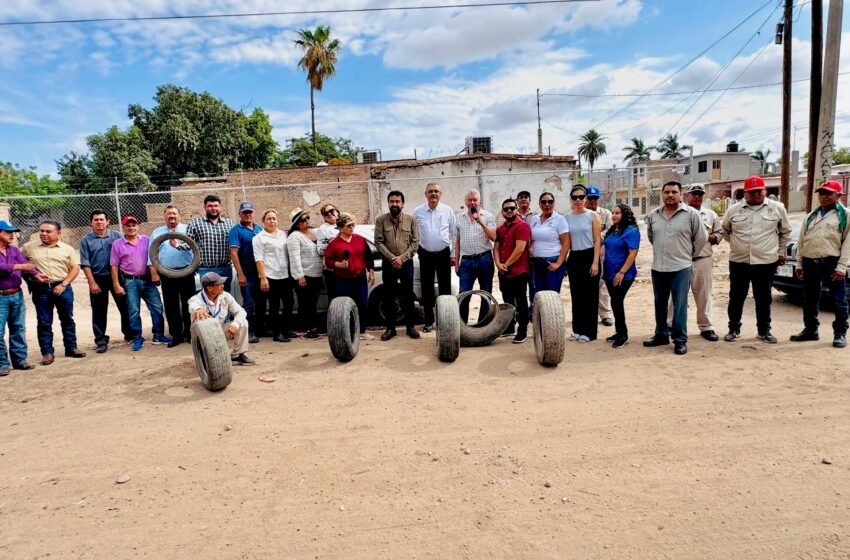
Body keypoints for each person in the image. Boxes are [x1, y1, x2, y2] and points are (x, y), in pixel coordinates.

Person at [721, 175, 791, 343]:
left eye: (759, 191)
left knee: (764, 298)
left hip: (765, 261)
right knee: (736, 296)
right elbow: (725, 230)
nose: (756, 195)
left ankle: (764, 331)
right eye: (751, 192)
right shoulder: (734, 210)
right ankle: (733, 329)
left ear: (765, 191)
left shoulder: (777, 208)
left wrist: (780, 252)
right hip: (739, 261)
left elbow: (785, 232)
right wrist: (738, 244)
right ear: (745, 193)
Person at [643, 181, 707, 355]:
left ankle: (680, 340)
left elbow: (701, 238)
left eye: (674, 192)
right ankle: (661, 335)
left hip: (681, 267)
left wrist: (688, 255)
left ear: (680, 194)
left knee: (679, 305)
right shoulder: (654, 215)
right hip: (658, 268)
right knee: (660, 303)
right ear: (662, 194)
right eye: (666, 192)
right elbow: (651, 237)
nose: (670, 195)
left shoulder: (691, 214)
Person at [789, 180, 850, 348]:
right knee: (809, 299)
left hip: (831, 262)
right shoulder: (811, 216)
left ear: (838, 195)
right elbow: (802, 241)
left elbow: (848, 244)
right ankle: (810, 330)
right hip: (810, 262)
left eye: (829, 193)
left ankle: (840, 333)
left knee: (839, 299)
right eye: (821, 193)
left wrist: (842, 267)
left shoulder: (845, 215)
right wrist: (800, 264)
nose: (824, 197)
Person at [22, 220, 86, 365]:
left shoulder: (67, 249)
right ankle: (47, 353)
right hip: (41, 289)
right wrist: (31, 280)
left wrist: (64, 284)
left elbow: (75, 268)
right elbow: (22, 265)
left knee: (67, 319)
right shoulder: (28, 248)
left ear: (58, 233)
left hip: (63, 287)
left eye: (48, 231)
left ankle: (71, 348)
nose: (44, 234)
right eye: (42, 231)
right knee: (44, 322)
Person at [667, 184, 724, 342]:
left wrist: (708, 237)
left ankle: (706, 326)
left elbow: (720, 233)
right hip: (680, 259)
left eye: (700, 194)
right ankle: (671, 324)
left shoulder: (710, 215)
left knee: (703, 294)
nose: (697, 197)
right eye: (693, 194)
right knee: (676, 294)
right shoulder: (677, 213)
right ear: (686, 196)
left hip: (702, 259)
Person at [110, 216, 170, 352]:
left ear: (138, 226)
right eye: (128, 225)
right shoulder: (117, 244)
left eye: (134, 225)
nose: (131, 228)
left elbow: (154, 257)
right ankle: (137, 339)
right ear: (124, 227)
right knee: (133, 311)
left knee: (157, 308)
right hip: (130, 281)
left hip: (148, 280)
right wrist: (116, 285)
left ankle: (158, 335)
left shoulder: (147, 240)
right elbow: (114, 266)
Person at [79, 209, 132, 353]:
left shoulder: (117, 236)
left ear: (108, 221)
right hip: (98, 278)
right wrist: (92, 283)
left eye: (102, 219)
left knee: (125, 306)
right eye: (96, 220)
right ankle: (101, 340)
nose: (99, 222)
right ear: (91, 222)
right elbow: (85, 263)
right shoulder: (86, 240)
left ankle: (129, 334)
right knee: (99, 311)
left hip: (117, 277)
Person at [0, 220, 47, 375]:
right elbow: (15, 266)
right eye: (7, 232)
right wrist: (17, 267)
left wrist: (37, 274)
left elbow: (25, 264)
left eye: (12, 232)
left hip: (16, 294)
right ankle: (2, 364)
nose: (12, 235)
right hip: (1, 296)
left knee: (18, 328)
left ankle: (20, 360)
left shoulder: (14, 251)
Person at [374, 190, 421, 341]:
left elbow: (415, 242)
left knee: (408, 295)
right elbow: (378, 242)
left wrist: (402, 258)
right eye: (392, 201)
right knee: (389, 296)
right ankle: (390, 329)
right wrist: (393, 258)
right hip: (389, 264)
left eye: (397, 201)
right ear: (388, 203)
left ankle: (410, 327)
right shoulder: (381, 220)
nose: (394, 204)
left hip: (406, 264)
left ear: (403, 204)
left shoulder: (411, 220)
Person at [412, 183, 456, 332]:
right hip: (425, 254)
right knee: (427, 289)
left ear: (440, 194)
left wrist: (452, 254)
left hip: (444, 254)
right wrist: (417, 249)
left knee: (445, 289)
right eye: (430, 191)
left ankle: (445, 322)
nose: (433, 194)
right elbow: (413, 233)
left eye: (436, 191)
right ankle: (429, 322)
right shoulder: (417, 212)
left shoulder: (448, 211)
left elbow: (453, 234)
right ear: (425, 194)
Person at [324, 213, 375, 340]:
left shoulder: (360, 239)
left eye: (353, 225)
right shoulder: (334, 243)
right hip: (343, 280)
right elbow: (328, 261)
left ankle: (362, 331)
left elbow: (368, 257)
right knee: (346, 307)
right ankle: (349, 333)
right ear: (340, 228)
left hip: (360, 278)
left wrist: (371, 272)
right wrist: (338, 264)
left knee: (362, 304)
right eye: (348, 226)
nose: (352, 228)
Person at [151, 206, 196, 348]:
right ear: (164, 217)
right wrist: (154, 272)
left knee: (189, 304)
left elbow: (196, 248)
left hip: (186, 272)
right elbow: (151, 254)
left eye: (174, 213)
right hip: (166, 273)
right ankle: (176, 335)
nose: (172, 216)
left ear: (179, 216)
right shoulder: (157, 232)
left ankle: (190, 334)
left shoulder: (188, 229)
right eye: (169, 214)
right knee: (171, 306)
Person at [188, 272, 255, 366]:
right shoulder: (196, 299)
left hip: (219, 331)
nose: (222, 286)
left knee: (243, 322)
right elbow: (192, 305)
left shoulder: (225, 296)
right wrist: (198, 309)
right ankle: (204, 356)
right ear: (209, 288)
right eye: (219, 284)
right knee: (212, 364)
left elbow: (241, 311)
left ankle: (237, 355)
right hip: (204, 338)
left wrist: (235, 324)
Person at [565, 185, 602, 342]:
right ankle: (577, 329)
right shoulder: (567, 218)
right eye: (575, 197)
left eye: (581, 197)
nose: (578, 200)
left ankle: (589, 332)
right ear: (571, 200)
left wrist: (595, 262)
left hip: (589, 256)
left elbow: (597, 240)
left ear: (586, 198)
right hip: (574, 257)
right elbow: (566, 242)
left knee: (590, 295)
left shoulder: (592, 216)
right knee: (576, 295)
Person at [455, 189, 497, 322]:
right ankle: (462, 326)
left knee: (485, 293)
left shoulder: (488, 216)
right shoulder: (459, 218)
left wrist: (480, 220)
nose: (472, 202)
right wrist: (457, 263)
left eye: (475, 200)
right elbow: (457, 241)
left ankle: (482, 325)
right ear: (465, 202)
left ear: (480, 202)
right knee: (463, 295)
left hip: (484, 259)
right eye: (469, 200)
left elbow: (493, 237)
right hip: (466, 261)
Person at [602, 204, 640, 349]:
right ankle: (619, 332)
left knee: (617, 302)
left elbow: (632, 253)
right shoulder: (613, 230)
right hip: (609, 272)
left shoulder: (631, 231)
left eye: (617, 213)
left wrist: (622, 272)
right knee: (614, 302)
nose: (614, 215)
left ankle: (623, 335)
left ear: (625, 214)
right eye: (612, 213)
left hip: (624, 274)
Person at [252, 208, 294, 342]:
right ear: (263, 221)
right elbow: (258, 259)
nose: (272, 221)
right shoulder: (259, 238)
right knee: (274, 306)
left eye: (274, 218)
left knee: (289, 303)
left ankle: (286, 329)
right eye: (269, 219)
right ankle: (277, 334)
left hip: (285, 275)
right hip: (270, 276)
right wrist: (263, 278)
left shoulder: (283, 234)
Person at [494, 198, 531, 343]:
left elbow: (520, 249)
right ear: (502, 212)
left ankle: (522, 331)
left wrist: (506, 264)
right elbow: (496, 247)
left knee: (521, 302)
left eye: (511, 208)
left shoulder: (522, 226)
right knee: (507, 301)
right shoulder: (501, 228)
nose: (509, 211)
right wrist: (498, 264)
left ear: (516, 210)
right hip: (504, 272)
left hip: (519, 271)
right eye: (506, 209)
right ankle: (510, 327)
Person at [286, 208, 324, 339]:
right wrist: (299, 276)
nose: (307, 221)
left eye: (308, 218)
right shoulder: (294, 237)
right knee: (305, 303)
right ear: (297, 224)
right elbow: (294, 258)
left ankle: (312, 327)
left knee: (313, 302)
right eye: (303, 219)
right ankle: (307, 329)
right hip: (304, 275)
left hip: (317, 274)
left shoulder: (313, 232)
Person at [186, 194, 235, 293]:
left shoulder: (230, 224)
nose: (213, 209)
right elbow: (189, 243)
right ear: (204, 207)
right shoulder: (195, 223)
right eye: (210, 206)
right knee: (209, 297)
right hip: (205, 269)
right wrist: (177, 245)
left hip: (225, 268)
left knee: (225, 296)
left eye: (216, 206)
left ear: (220, 207)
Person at [229, 201, 263, 342]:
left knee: (261, 301)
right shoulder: (236, 230)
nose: (248, 215)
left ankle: (261, 329)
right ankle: (248, 332)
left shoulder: (259, 229)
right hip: (247, 272)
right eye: (245, 212)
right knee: (248, 303)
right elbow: (234, 254)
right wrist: (241, 274)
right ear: (240, 214)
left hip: (260, 271)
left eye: (250, 212)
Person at [528, 192, 570, 307]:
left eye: (550, 202)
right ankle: (542, 323)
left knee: (552, 297)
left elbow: (566, 242)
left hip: (552, 263)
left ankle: (552, 323)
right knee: (540, 296)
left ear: (554, 203)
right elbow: (532, 239)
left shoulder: (560, 219)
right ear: (539, 204)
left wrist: (558, 263)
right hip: (537, 263)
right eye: (544, 202)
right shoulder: (534, 219)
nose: (547, 204)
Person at [585, 186, 614, 327]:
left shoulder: (605, 214)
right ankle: (588, 314)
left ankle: (605, 313)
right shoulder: (579, 214)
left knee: (602, 283)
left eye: (595, 198)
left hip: (601, 253)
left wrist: (597, 237)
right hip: (584, 253)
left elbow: (610, 230)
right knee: (585, 284)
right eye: (590, 198)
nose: (592, 201)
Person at [316, 203, 340, 301]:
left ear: (337, 212)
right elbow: (320, 250)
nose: (329, 214)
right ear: (324, 217)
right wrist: (332, 244)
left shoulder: (345, 224)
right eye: (326, 213)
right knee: (334, 298)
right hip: (332, 270)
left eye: (331, 211)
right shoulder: (323, 229)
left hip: (347, 268)